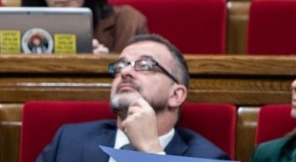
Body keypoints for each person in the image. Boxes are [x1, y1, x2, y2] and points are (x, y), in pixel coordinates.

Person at [38, 34, 230, 161]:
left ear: (176, 95)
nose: (126, 72)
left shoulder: (209, 158)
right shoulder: (69, 140)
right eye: (121, 66)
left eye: (145, 65)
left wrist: (152, 152)